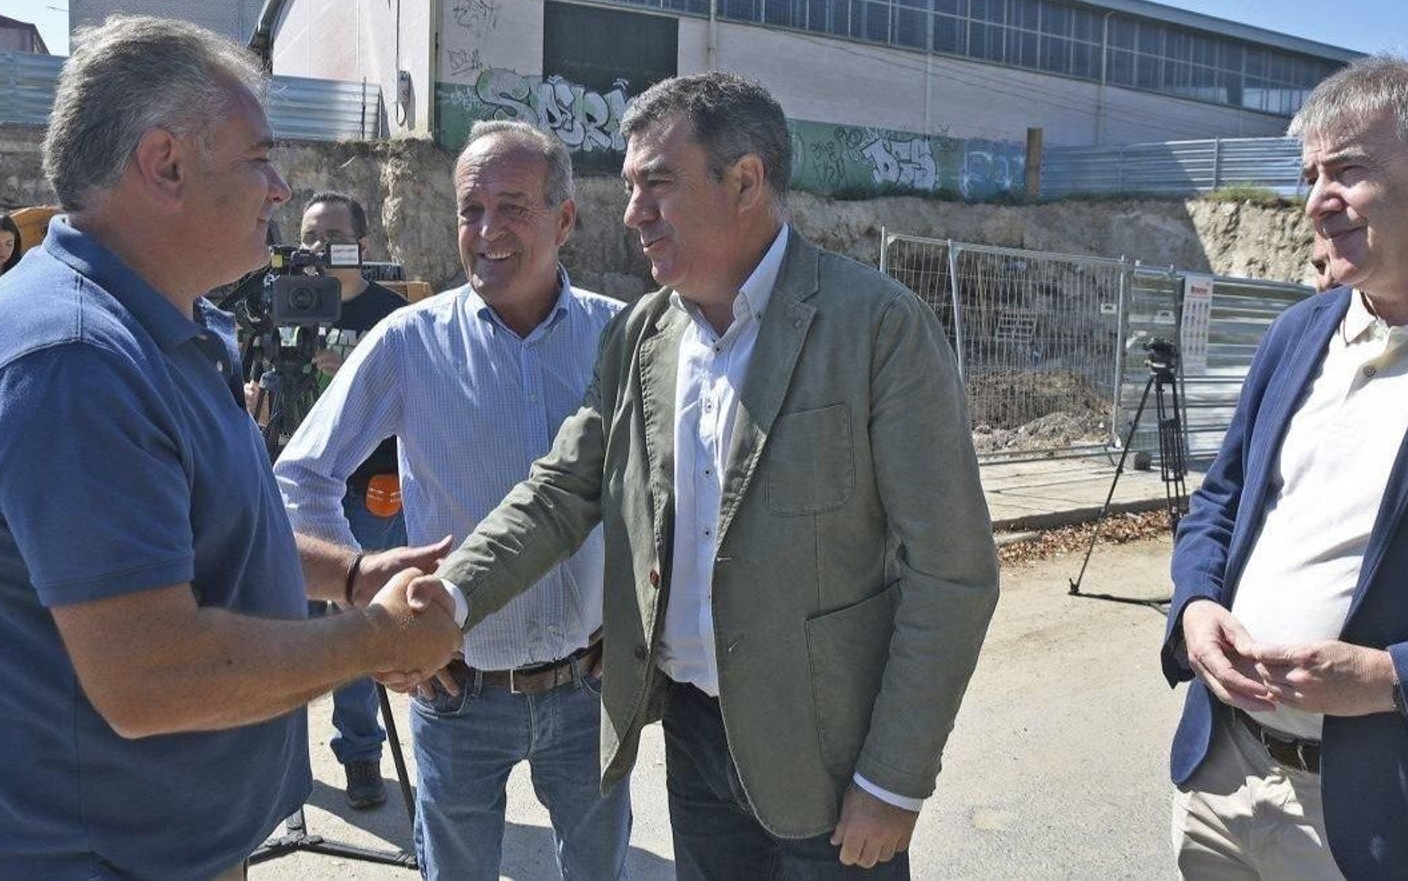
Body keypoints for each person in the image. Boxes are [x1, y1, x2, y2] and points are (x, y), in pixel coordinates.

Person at [0, 16, 461, 881]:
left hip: (154, 844)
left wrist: (345, 577)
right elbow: (152, 677)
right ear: (164, 163)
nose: (279, 190)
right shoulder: (72, 361)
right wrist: (372, 639)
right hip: (73, 857)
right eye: (259, 158)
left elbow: (200, 526)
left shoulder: (168, 324)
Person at [414, 73, 999, 878]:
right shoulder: (642, 337)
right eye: (628, 188)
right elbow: (560, 490)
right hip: (695, 742)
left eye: (657, 183)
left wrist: (893, 778)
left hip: (829, 760)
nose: (631, 213)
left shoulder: (877, 328)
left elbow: (953, 573)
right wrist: (447, 598)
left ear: (747, 182)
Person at [1164, 57, 1408, 879]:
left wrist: (1394, 679)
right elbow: (1221, 500)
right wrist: (1196, 606)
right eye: (1310, 175)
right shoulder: (1298, 332)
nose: (1316, 200)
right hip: (1222, 780)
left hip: (1397, 818)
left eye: (1348, 170)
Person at [276, 120, 631, 879]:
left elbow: (662, 493)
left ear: (565, 219)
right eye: (472, 209)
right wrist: (370, 610)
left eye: (514, 206)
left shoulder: (621, 338)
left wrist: (633, 620)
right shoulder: (409, 343)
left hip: (589, 690)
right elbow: (297, 479)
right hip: (457, 690)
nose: (487, 230)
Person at [280, 190, 411, 811]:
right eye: (307, 235)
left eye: (329, 234)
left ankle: (360, 755)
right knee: (284, 632)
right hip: (287, 492)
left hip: (369, 495)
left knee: (357, 628)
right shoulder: (283, 307)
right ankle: (287, 771)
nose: (314, 247)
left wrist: (350, 385)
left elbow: (414, 415)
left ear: (360, 243)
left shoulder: (392, 316)